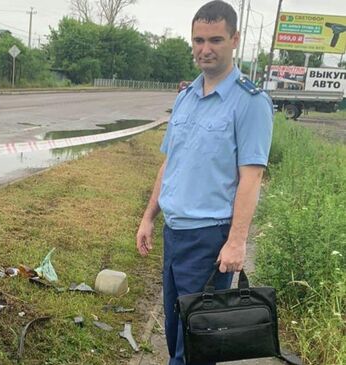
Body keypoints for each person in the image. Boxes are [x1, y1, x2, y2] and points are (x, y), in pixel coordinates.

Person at [135, 1, 273, 365]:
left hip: (209, 239)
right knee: (174, 332)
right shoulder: (185, 97)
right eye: (198, 40)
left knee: (196, 346)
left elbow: (251, 177)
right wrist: (150, 216)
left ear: (234, 39)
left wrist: (237, 242)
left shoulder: (250, 103)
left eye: (215, 39)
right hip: (174, 233)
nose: (205, 49)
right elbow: (170, 162)